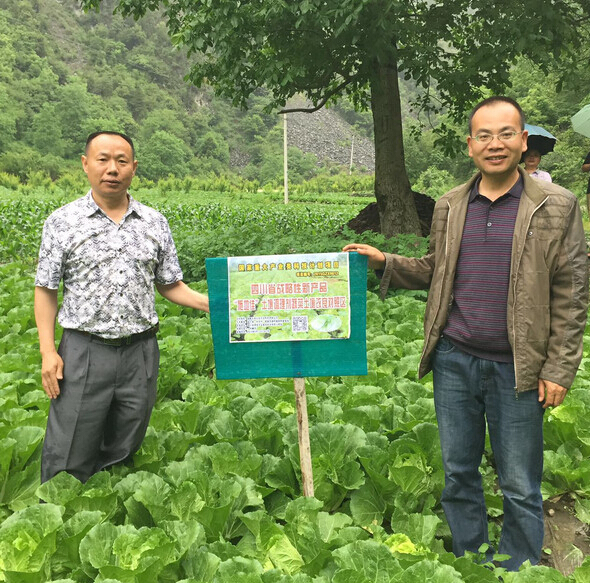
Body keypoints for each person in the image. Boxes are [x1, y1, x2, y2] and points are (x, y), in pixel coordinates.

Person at [344, 96, 588, 571]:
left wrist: (559, 367)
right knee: (458, 472)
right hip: (455, 359)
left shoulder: (557, 206)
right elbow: (438, 269)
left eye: (505, 134)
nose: (494, 144)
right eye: (484, 135)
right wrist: (386, 262)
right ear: (470, 145)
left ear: (522, 142)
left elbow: (571, 291)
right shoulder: (451, 205)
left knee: (519, 481)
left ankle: (518, 569)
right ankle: (470, 561)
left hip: (519, 365)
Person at [35, 130, 209, 484]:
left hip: (140, 350)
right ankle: (61, 504)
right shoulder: (62, 222)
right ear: (86, 165)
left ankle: (107, 498)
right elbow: (46, 289)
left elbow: (170, 285)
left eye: (121, 161)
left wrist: (215, 305)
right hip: (84, 349)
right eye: (103, 160)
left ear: (134, 168)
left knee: (128, 434)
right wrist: (47, 351)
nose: (112, 169)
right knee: (70, 439)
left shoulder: (154, 223)